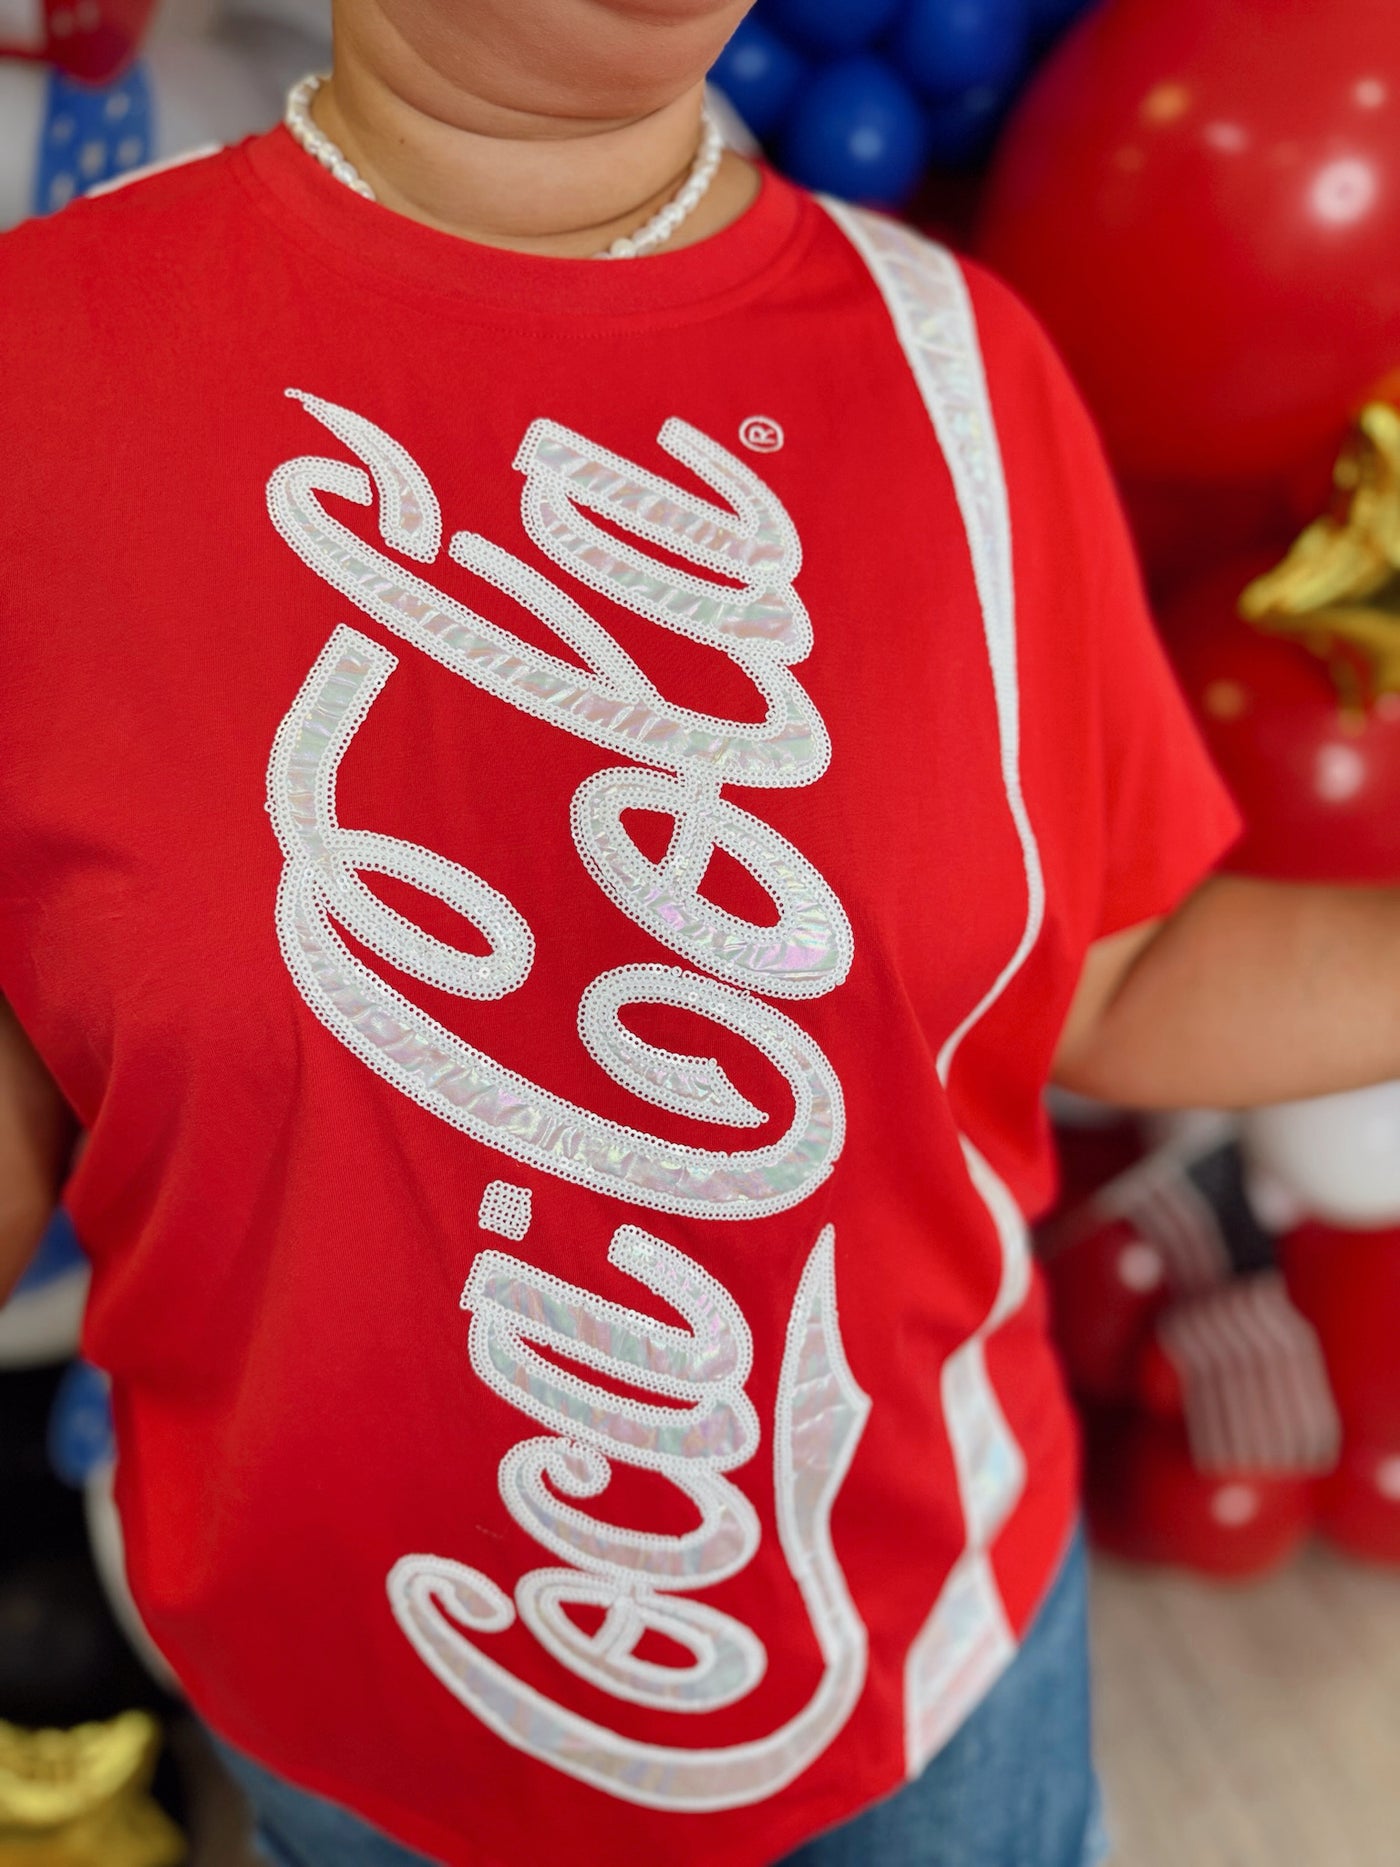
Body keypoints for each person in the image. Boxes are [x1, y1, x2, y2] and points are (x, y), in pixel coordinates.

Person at [0, 3, 1396, 1862]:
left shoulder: (963, 368)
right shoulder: (41, 378)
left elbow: (1110, 978)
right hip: (351, 1716)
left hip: (926, 1686)